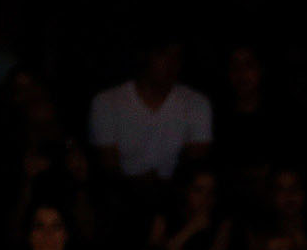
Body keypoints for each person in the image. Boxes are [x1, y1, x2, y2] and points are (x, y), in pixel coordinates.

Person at [88, 40, 213, 183]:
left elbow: (195, 166)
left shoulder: (196, 103)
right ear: (144, 56)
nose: (171, 63)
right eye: (162, 54)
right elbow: (107, 168)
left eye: (177, 56)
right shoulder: (106, 102)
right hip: (121, 196)